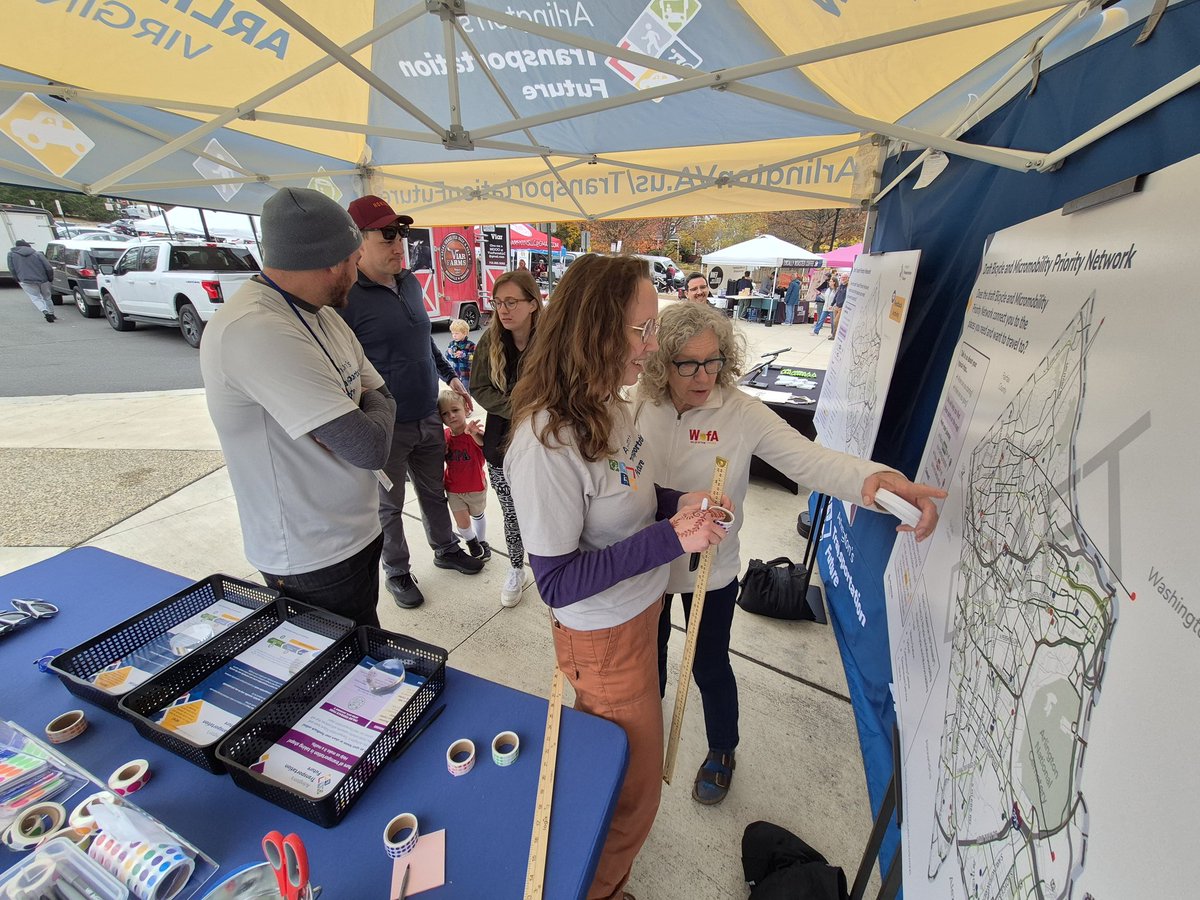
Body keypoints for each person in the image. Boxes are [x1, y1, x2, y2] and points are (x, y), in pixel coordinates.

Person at [636, 302, 946, 805]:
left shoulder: (741, 413)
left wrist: (879, 480)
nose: (704, 376)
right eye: (687, 364)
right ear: (661, 363)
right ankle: (649, 724)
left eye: (713, 361)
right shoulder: (637, 400)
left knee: (710, 665)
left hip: (710, 567)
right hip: (646, 561)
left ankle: (722, 748)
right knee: (648, 654)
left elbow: (811, 460)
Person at [505, 254, 729, 900]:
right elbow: (556, 582)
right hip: (603, 639)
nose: (651, 346)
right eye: (641, 330)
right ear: (596, 330)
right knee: (634, 797)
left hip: (638, 616)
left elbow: (631, 492)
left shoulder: (610, 402)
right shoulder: (546, 442)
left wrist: (677, 504)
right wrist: (671, 538)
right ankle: (599, 890)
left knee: (615, 776)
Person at [200, 187, 397, 627]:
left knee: (365, 642)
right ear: (330, 261)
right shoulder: (256, 329)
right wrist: (364, 411)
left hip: (357, 529)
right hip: (311, 554)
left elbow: (384, 394)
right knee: (342, 661)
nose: (357, 271)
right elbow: (369, 447)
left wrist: (365, 410)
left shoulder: (321, 314)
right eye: (354, 260)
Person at [341, 195, 483, 612]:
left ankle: (445, 548)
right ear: (358, 240)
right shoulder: (347, 296)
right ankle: (397, 572)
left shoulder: (410, 283)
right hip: (386, 427)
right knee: (389, 505)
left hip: (428, 414)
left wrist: (451, 377)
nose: (399, 242)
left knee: (434, 491)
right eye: (387, 234)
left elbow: (425, 342)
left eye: (401, 232)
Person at [470, 268, 542, 607]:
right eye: (498, 302)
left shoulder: (552, 340)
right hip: (501, 443)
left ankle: (549, 568)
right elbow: (479, 387)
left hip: (543, 444)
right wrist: (519, 407)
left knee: (546, 511)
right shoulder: (491, 340)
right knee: (511, 513)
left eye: (511, 302)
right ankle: (516, 567)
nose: (503, 310)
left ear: (533, 303)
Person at [438, 390, 490, 561]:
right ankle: (471, 541)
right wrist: (441, 449)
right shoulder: (445, 436)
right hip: (453, 488)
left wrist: (475, 433)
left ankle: (482, 541)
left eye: (455, 410)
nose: (451, 416)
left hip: (475, 486)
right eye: (445, 413)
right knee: (462, 522)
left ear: (466, 409)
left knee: (478, 515)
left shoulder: (472, 433)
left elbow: (484, 444)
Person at [8, 240, 56, 322]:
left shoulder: (11, 255)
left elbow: (12, 268)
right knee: (47, 297)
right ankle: (51, 313)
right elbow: (48, 267)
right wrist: (50, 278)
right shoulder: (37, 254)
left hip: (25, 280)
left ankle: (45, 311)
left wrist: (17, 279)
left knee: (35, 298)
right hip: (43, 279)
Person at [444, 318, 476, 391]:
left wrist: (463, 355)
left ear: (465, 333)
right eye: (452, 333)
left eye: (456, 333)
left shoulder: (470, 345)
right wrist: (449, 354)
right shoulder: (452, 344)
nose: (454, 336)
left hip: (467, 374)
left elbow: (474, 357)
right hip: (456, 373)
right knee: (456, 391)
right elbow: (449, 358)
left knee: (465, 391)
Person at [828, 272, 851, 339]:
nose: (843, 279)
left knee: (836, 322)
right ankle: (834, 335)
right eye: (842, 277)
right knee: (835, 322)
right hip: (836, 307)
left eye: (845, 278)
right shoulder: (841, 286)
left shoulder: (848, 287)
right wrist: (832, 304)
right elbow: (836, 296)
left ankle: (834, 336)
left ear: (848, 278)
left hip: (842, 308)